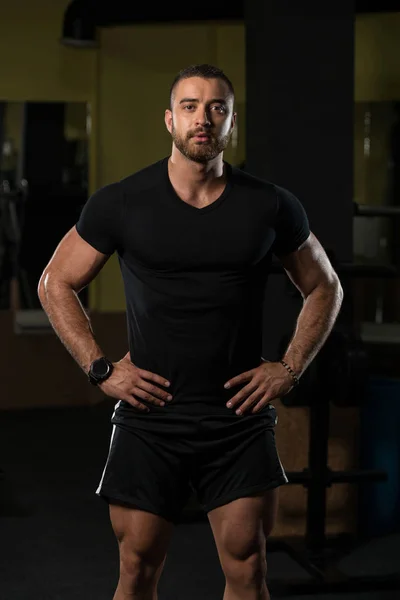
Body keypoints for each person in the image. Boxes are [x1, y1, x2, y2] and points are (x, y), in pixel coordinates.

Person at [38, 64, 343, 600]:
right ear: (169, 120)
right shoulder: (122, 202)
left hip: (237, 419)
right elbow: (54, 282)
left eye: (217, 108)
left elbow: (325, 287)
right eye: (189, 106)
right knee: (136, 568)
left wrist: (290, 367)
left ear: (231, 125)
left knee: (248, 568)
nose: (203, 118)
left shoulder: (270, 204)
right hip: (150, 417)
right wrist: (100, 369)